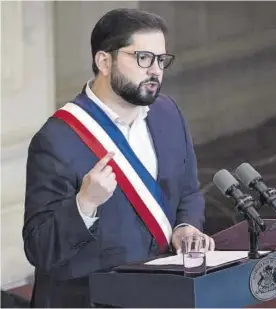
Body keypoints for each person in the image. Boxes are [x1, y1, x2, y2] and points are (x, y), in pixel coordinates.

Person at [22, 8, 215, 308]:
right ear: (104, 61)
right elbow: (39, 247)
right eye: (143, 58)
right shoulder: (57, 139)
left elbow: (188, 191)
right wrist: (83, 204)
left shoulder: (168, 113)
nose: (155, 70)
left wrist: (185, 227)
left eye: (161, 60)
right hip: (92, 300)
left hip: (164, 293)